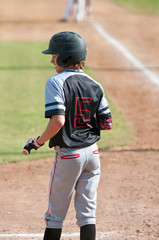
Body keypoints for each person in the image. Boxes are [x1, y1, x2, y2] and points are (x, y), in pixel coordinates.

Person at [23, 31, 112, 240]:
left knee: (55, 215)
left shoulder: (56, 82)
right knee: (87, 213)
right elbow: (106, 123)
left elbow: (58, 121)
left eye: (54, 56)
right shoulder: (95, 84)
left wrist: (37, 142)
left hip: (69, 155)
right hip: (93, 154)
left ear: (66, 57)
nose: (52, 60)